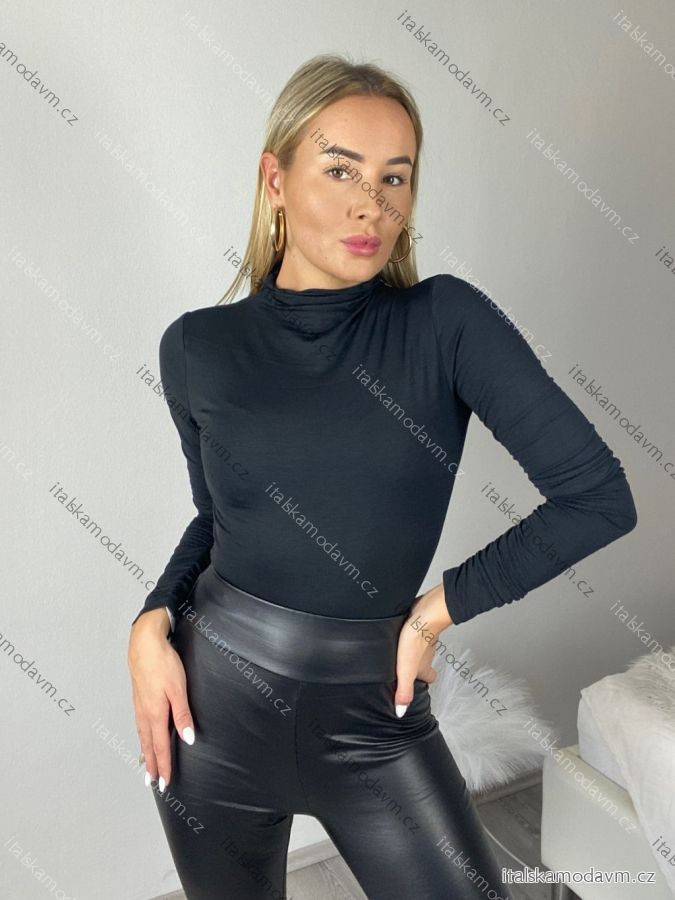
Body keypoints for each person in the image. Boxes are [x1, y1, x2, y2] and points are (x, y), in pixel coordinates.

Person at [127, 53, 637, 900]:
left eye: (393, 177)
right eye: (340, 170)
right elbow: (216, 519)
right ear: (275, 180)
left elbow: (597, 498)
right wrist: (150, 620)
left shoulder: (445, 322)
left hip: (374, 716)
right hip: (211, 713)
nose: (373, 203)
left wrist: (434, 614)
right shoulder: (196, 347)